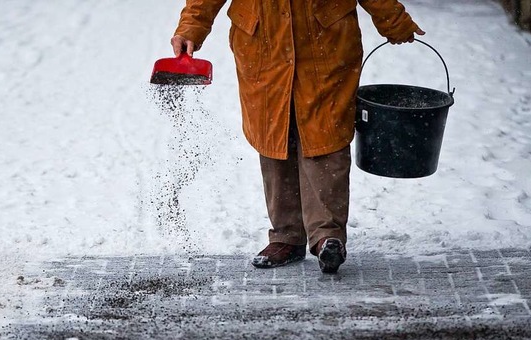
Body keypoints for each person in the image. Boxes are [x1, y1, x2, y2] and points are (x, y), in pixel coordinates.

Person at [171, 0, 424, 273]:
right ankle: (287, 237)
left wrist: (393, 20)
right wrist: (190, 28)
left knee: (325, 135)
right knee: (274, 134)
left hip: (324, 42)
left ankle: (328, 236)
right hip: (264, 44)